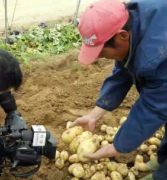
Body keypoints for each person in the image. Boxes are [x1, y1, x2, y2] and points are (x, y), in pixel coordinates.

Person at [70, 0, 167, 179]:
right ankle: (163, 159)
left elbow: (155, 105)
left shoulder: (158, 56)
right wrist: (94, 115)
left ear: (122, 36)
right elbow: (123, 70)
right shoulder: (130, 19)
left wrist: (117, 146)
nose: (101, 57)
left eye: (102, 52)